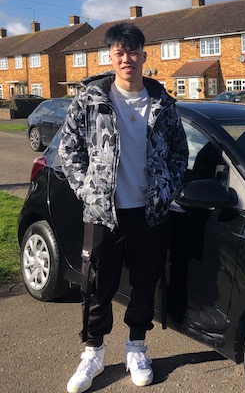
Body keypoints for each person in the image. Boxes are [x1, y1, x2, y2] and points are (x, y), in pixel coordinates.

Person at [59, 22, 188, 393]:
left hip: (149, 213)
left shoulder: (163, 103)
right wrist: (88, 191)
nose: (126, 58)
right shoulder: (91, 99)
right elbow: (69, 148)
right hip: (104, 212)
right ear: (111, 57)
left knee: (146, 282)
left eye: (133, 52)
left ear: (144, 55)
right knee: (97, 284)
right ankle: (93, 352)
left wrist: (166, 190)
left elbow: (179, 152)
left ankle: (136, 348)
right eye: (119, 52)